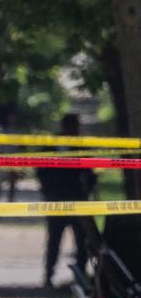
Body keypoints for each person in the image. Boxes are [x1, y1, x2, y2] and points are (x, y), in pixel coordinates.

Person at [37, 113, 98, 288]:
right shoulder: (58, 144)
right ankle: (51, 275)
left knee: (79, 240)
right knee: (58, 239)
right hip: (64, 198)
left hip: (72, 198)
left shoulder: (74, 145)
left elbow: (88, 171)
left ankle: (76, 275)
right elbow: (42, 169)